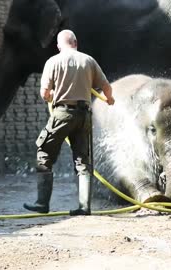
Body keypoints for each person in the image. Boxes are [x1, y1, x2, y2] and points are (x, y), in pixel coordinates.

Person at [23, 29, 115, 216]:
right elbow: (106, 86)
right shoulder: (88, 60)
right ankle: (84, 207)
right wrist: (110, 99)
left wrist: (51, 96)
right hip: (84, 116)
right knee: (83, 161)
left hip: (62, 114)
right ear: (75, 42)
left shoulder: (53, 61)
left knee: (44, 155)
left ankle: (42, 203)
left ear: (58, 46)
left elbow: (44, 93)